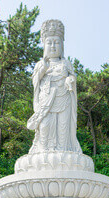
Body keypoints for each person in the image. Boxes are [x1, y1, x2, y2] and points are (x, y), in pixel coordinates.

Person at [27, 20, 81, 154]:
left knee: (63, 127)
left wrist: (70, 79)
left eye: (56, 43)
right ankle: (43, 151)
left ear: (62, 45)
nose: (53, 46)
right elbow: (35, 82)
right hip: (46, 101)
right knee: (45, 126)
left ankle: (64, 151)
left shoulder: (66, 63)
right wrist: (43, 69)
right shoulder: (40, 64)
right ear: (44, 45)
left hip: (63, 99)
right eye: (49, 43)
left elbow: (73, 77)